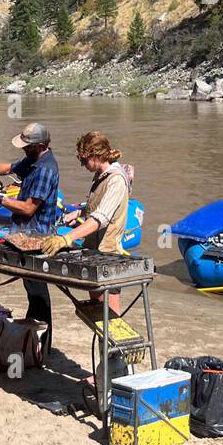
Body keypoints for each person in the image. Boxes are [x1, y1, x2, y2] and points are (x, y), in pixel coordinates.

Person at [0, 122, 61, 328]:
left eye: (27, 146)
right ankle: (33, 333)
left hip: (37, 237)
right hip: (22, 234)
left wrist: (0, 199)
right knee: (30, 286)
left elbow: (29, 209)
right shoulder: (32, 159)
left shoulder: (45, 169)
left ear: (39, 145)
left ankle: (41, 336)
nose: (23, 149)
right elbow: (10, 168)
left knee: (37, 289)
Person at [43, 132, 133, 314]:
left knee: (110, 320)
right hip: (94, 252)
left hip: (108, 256)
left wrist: (66, 239)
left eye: (84, 161)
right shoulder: (100, 175)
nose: (82, 165)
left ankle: (107, 343)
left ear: (96, 155)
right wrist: (80, 211)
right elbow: (98, 205)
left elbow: (100, 218)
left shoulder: (115, 179)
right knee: (97, 316)